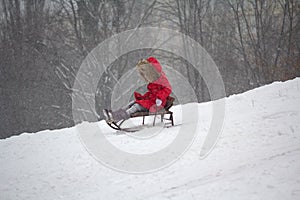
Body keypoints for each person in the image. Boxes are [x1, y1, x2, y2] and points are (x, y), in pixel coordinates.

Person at [103, 56, 172, 122]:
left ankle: (119, 117)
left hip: (156, 104)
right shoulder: (154, 81)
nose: (145, 76)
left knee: (137, 106)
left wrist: (159, 98)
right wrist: (145, 97)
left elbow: (168, 88)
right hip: (152, 101)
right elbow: (152, 93)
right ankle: (115, 114)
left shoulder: (161, 79)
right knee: (133, 102)